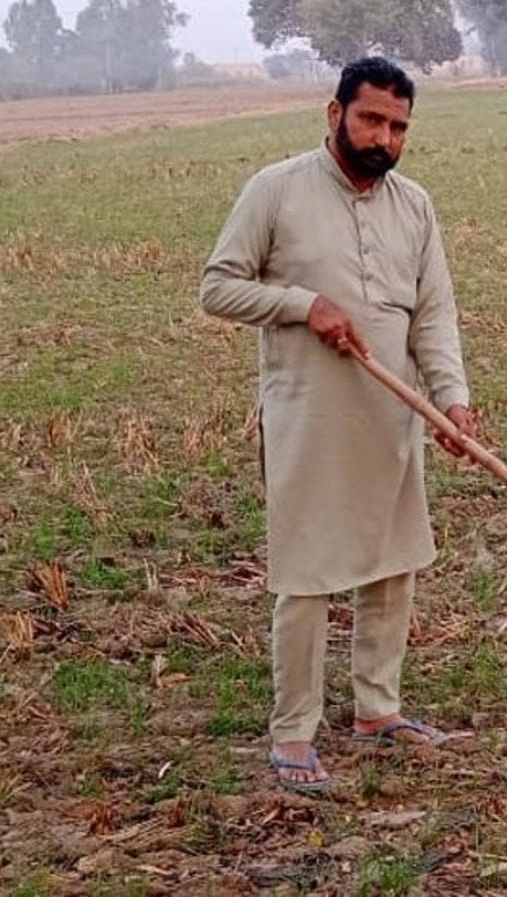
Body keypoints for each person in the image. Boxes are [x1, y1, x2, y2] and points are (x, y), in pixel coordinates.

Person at [199, 56, 477, 793]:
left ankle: (377, 712)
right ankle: (293, 735)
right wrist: (302, 305)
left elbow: (434, 313)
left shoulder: (414, 206)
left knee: (393, 565)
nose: (384, 137)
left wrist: (452, 401)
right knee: (308, 576)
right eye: (371, 119)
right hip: (309, 420)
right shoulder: (276, 190)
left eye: (398, 126)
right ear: (335, 114)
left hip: (394, 414)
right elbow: (218, 286)